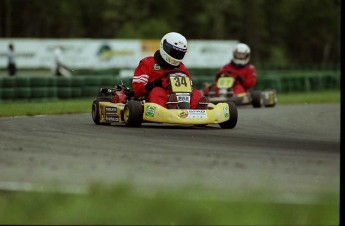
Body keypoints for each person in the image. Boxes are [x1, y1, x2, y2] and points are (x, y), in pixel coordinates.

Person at [132, 32, 207, 109]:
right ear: (164, 46)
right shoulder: (148, 63)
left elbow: (189, 87)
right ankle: (168, 107)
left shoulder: (182, 68)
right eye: (174, 52)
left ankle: (197, 110)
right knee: (157, 91)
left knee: (197, 93)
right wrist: (152, 85)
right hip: (155, 99)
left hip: (181, 98)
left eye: (179, 53)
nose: (176, 56)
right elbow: (137, 88)